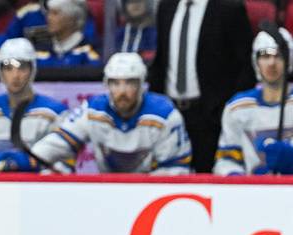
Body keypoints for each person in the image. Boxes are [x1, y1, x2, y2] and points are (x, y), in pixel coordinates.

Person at [10, 52, 192, 174]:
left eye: (130, 83)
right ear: (106, 85)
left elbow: (176, 170)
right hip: (107, 190)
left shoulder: (165, 114)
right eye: (115, 83)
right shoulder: (93, 110)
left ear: (141, 84)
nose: (122, 91)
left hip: (151, 192)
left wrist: (142, 193)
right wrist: (24, 161)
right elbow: (58, 143)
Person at [148, 0, 254, 173]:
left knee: (208, 183)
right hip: (172, 115)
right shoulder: (166, 6)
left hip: (210, 118)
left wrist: (225, 110)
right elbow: (161, 60)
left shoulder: (229, 8)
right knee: (167, 183)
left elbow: (246, 66)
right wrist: (157, 107)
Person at [0, 38, 67, 173]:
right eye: (8, 68)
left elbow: (62, 164)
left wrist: (40, 185)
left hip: (37, 188)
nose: (15, 75)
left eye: (22, 67)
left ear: (32, 70)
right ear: (0, 72)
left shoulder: (53, 114)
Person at [215, 28, 293, 175]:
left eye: (279, 56)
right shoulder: (238, 107)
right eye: (265, 56)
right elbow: (226, 159)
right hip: (253, 193)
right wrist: (237, 180)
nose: (271, 63)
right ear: (255, 61)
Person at [34, 0, 101, 68]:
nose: (49, 18)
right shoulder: (40, 51)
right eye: (48, 13)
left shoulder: (90, 52)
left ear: (71, 18)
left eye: (55, 13)